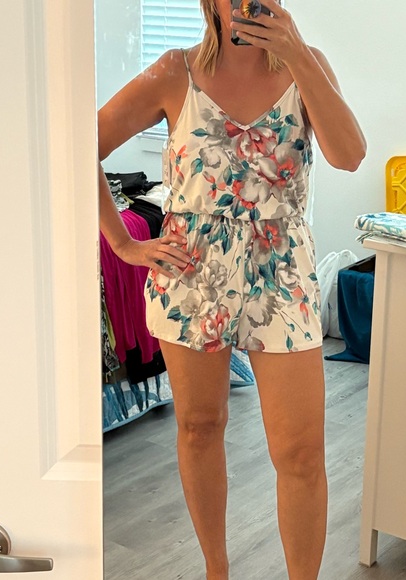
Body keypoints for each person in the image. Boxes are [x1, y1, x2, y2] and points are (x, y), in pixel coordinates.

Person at [98, 0, 366, 578]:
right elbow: (79, 144)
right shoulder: (174, 71)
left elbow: (349, 155)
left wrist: (296, 52)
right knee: (199, 427)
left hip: (282, 273)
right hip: (191, 275)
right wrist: (123, 243)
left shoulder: (307, 65)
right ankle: (216, 571)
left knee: (300, 452)